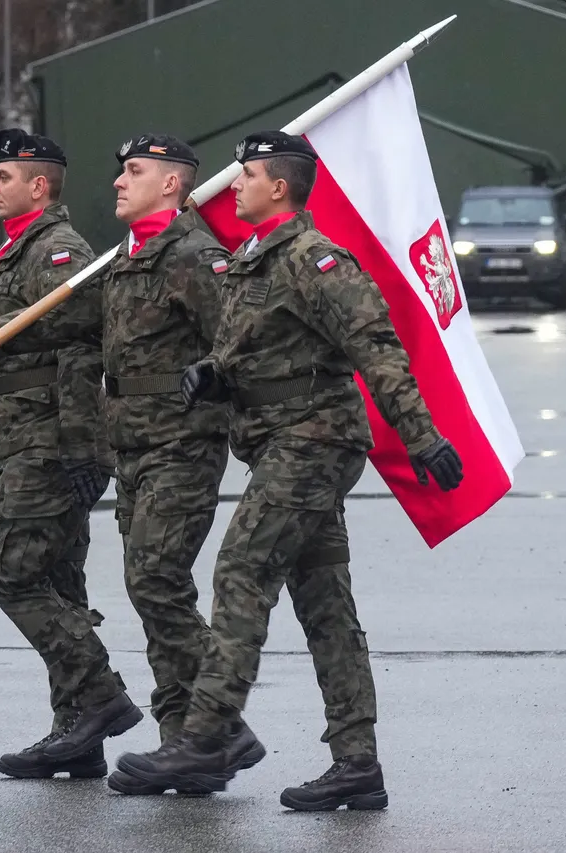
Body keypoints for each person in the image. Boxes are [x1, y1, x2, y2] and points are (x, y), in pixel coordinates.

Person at [113, 130, 464, 811]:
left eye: (246, 174)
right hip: (279, 443)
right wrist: (215, 375)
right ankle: (357, 763)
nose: (233, 184)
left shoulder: (315, 258)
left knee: (242, 569)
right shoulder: (252, 262)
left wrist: (422, 436)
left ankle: (207, 735)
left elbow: (375, 345)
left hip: (314, 444)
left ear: (279, 186)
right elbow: (259, 348)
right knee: (324, 602)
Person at [0, 133, 265, 795]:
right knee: (133, 585)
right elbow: (61, 330)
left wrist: (82, 444)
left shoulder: (174, 254)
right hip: (130, 440)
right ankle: (174, 739)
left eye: (134, 171)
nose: (118, 182)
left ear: (171, 183)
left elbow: (236, 341)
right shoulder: (125, 259)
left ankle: (200, 724)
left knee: (136, 580)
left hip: (167, 442)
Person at [0, 128, 142, 780]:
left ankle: (98, 696)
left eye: (4, 177)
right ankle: (78, 733)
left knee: (10, 575)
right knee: (59, 584)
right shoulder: (22, 250)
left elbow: (67, 323)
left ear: (39, 185)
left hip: (52, 443)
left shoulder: (60, 251)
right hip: (32, 435)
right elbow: (30, 344)